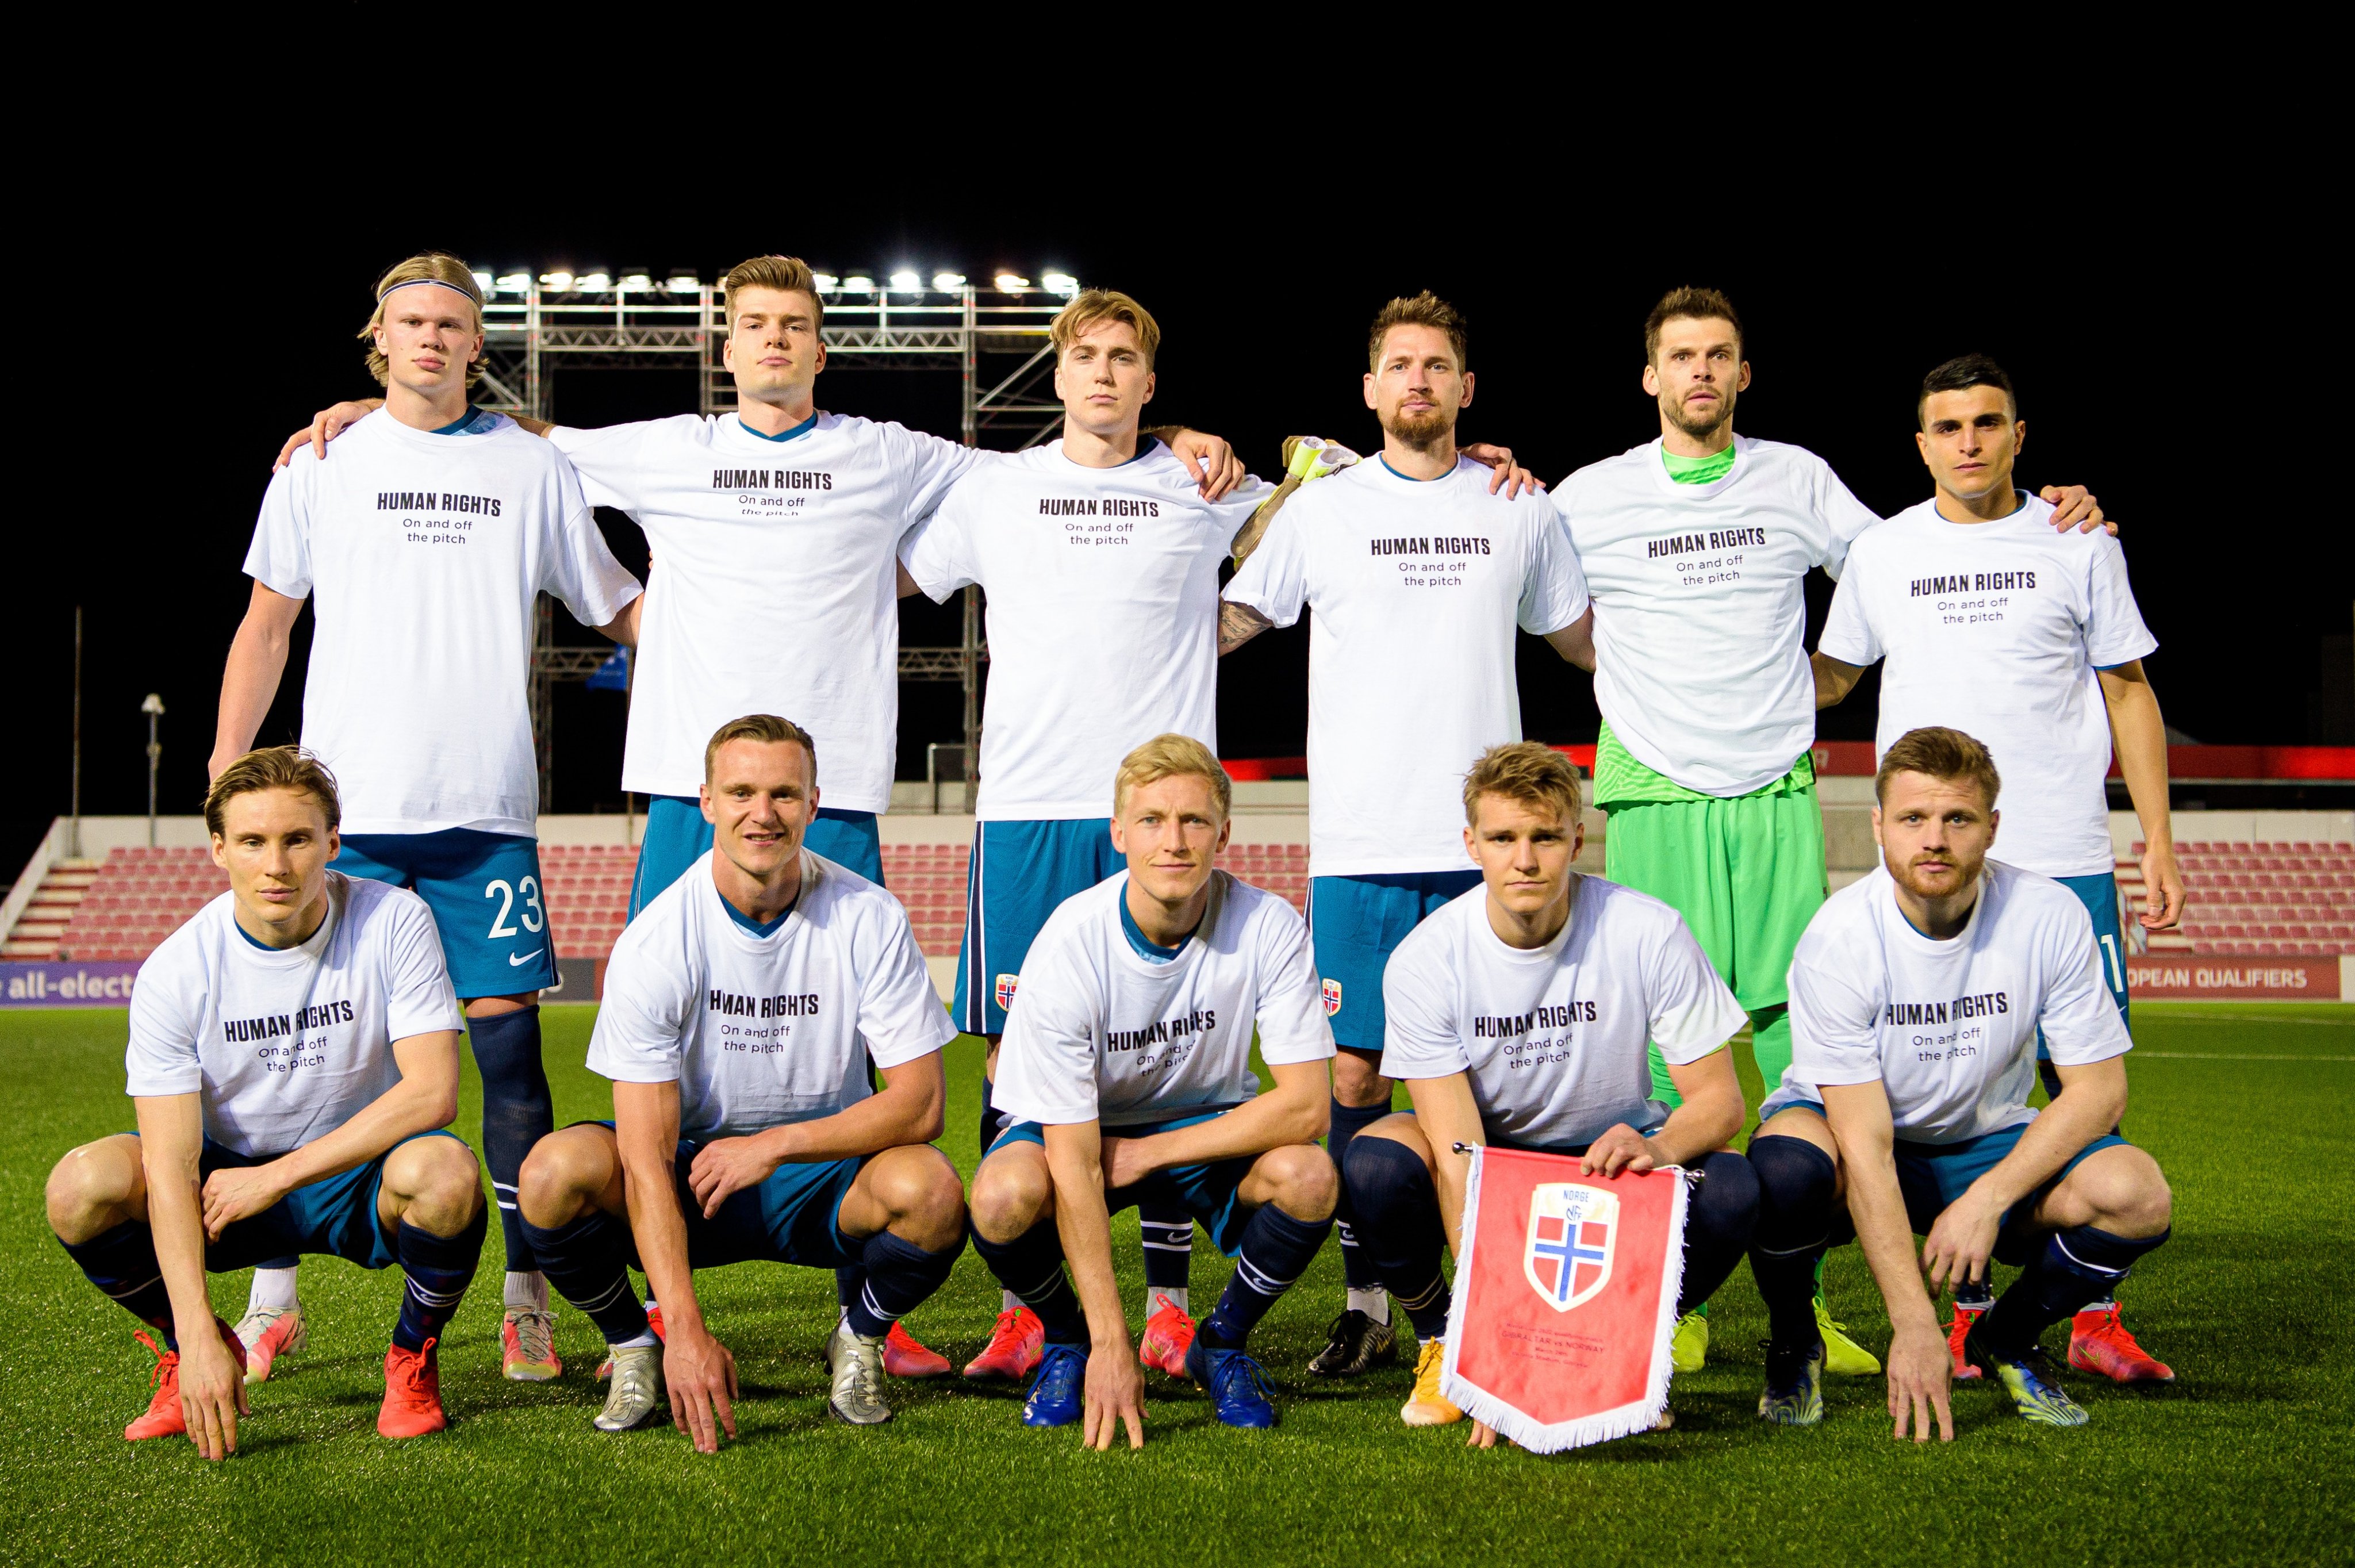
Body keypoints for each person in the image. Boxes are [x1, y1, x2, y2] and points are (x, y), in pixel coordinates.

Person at [273, 255, 1248, 1380]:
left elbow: (1058, 462)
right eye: (754, 326)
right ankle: (654, 1308)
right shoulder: (667, 448)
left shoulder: (889, 452)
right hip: (696, 792)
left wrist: (1175, 439)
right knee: (665, 1039)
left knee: (851, 1057)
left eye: (794, 325)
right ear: (724, 347)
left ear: (820, 347)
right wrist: (379, 415)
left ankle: (870, 1313)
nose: (774, 341)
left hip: (833, 791)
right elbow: (520, 435)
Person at [1549, 286, 2111, 1377]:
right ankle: (1673, 1301)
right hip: (1653, 789)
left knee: (1792, 1054)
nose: (1701, 372)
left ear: (1743, 374)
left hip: (1770, 789)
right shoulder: (1586, 496)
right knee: (1667, 1061)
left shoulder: (1798, 479)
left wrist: (2049, 511)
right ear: (1650, 376)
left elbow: (1907, 551)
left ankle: (1800, 1308)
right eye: (1680, 356)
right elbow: (1531, 582)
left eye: (1720, 354)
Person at [216, 252, 643, 1385]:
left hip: (481, 808)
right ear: (379, 336)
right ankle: (273, 1297)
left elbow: (617, 604)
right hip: (339, 814)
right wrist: (226, 765)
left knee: (509, 1059)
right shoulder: (321, 462)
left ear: (475, 345)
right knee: (307, 1058)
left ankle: (525, 1294)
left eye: (451, 323)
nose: (430, 338)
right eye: (410, 321)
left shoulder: (529, 465)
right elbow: (268, 625)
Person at [1220, 292, 1593, 1376]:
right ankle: (1372, 1298)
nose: (1419, 382)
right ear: (1371, 390)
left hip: (1494, 847)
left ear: (1465, 389)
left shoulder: (1520, 503)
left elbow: (1580, 642)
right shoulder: (1321, 512)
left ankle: (1508, 1287)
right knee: (1353, 1078)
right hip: (1362, 844)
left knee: (1498, 1073)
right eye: (1400, 366)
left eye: (1438, 366)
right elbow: (1235, 620)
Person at [1812, 354, 2179, 1383]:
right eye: (1947, 426)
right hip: (1928, 860)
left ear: (2021, 433)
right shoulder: (1883, 551)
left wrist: (2153, 834)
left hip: (2058, 855)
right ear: (1920, 443)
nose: (1968, 441)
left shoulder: (2076, 540)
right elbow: (1832, 675)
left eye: (1987, 422)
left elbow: (2130, 692)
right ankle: (1966, 1305)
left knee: (2081, 1083)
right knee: (1935, 1075)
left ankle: (2086, 1309)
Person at [515, 715, 965, 1446]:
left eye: (784, 794)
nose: (764, 813)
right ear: (708, 802)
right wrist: (685, 1329)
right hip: (694, 1178)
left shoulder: (868, 916)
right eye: (742, 792)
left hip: (824, 1177)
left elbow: (922, 1105)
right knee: (552, 1174)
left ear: (814, 805)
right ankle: (635, 1346)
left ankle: (858, 1337)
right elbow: (645, 1157)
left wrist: (774, 1146)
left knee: (934, 1191)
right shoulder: (658, 939)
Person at [45, 747, 486, 1453]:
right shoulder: (176, 971)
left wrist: (277, 1177)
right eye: (252, 842)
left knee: (446, 1174)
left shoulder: (393, 920)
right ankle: (191, 1353)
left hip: (354, 1178)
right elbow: (169, 1163)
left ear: (332, 844)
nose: (276, 866)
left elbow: (434, 1094)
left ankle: (411, 1360)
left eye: (297, 840)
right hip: (223, 1186)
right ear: (219, 849)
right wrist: (194, 1334)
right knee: (82, 1187)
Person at [1745, 727, 2173, 1436]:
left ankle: (2003, 1339)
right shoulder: (1840, 937)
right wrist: (1913, 1323)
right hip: (1858, 1146)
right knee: (1784, 1169)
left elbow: (2100, 1093)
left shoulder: (2047, 915)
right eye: (1913, 819)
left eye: (1958, 819)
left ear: (1992, 828)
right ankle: (1795, 1342)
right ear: (1879, 825)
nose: (1934, 839)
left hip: (1983, 1141)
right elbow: (1865, 1141)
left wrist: (1989, 1197)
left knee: (2136, 1195)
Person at [1346, 742, 1758, 1440]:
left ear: (1577, 837)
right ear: (1472, 843)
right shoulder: (1428, 959)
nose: (1525, 860)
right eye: (1504, 838)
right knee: (1377, 1161)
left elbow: (1720, 1103)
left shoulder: (1646, 930)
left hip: (1609, 1160)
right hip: (1493, 1156)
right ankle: (1445, 1344)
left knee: (1734, 1185)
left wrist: (1654, 1147)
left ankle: (1624, 1349)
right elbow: (1457, 1153)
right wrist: (1496, 1352)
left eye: (1543, 837)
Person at [968, 737, 1338, 1442]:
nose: (1174, 841)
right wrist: (1114, 1340)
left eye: (1194, 821)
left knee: (1310, 1175)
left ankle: (1221, 1343)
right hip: (1086, 1129)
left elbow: (1306, 1105)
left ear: (1223, 833)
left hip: (1201, 1120)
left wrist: (1150, 1153)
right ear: (1118, 834)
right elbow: (1073, 1157)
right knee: (1001, 1196)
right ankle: (1071, 1343)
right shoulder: (1072, 943)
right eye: (1151, 821)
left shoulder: (1268, 924)